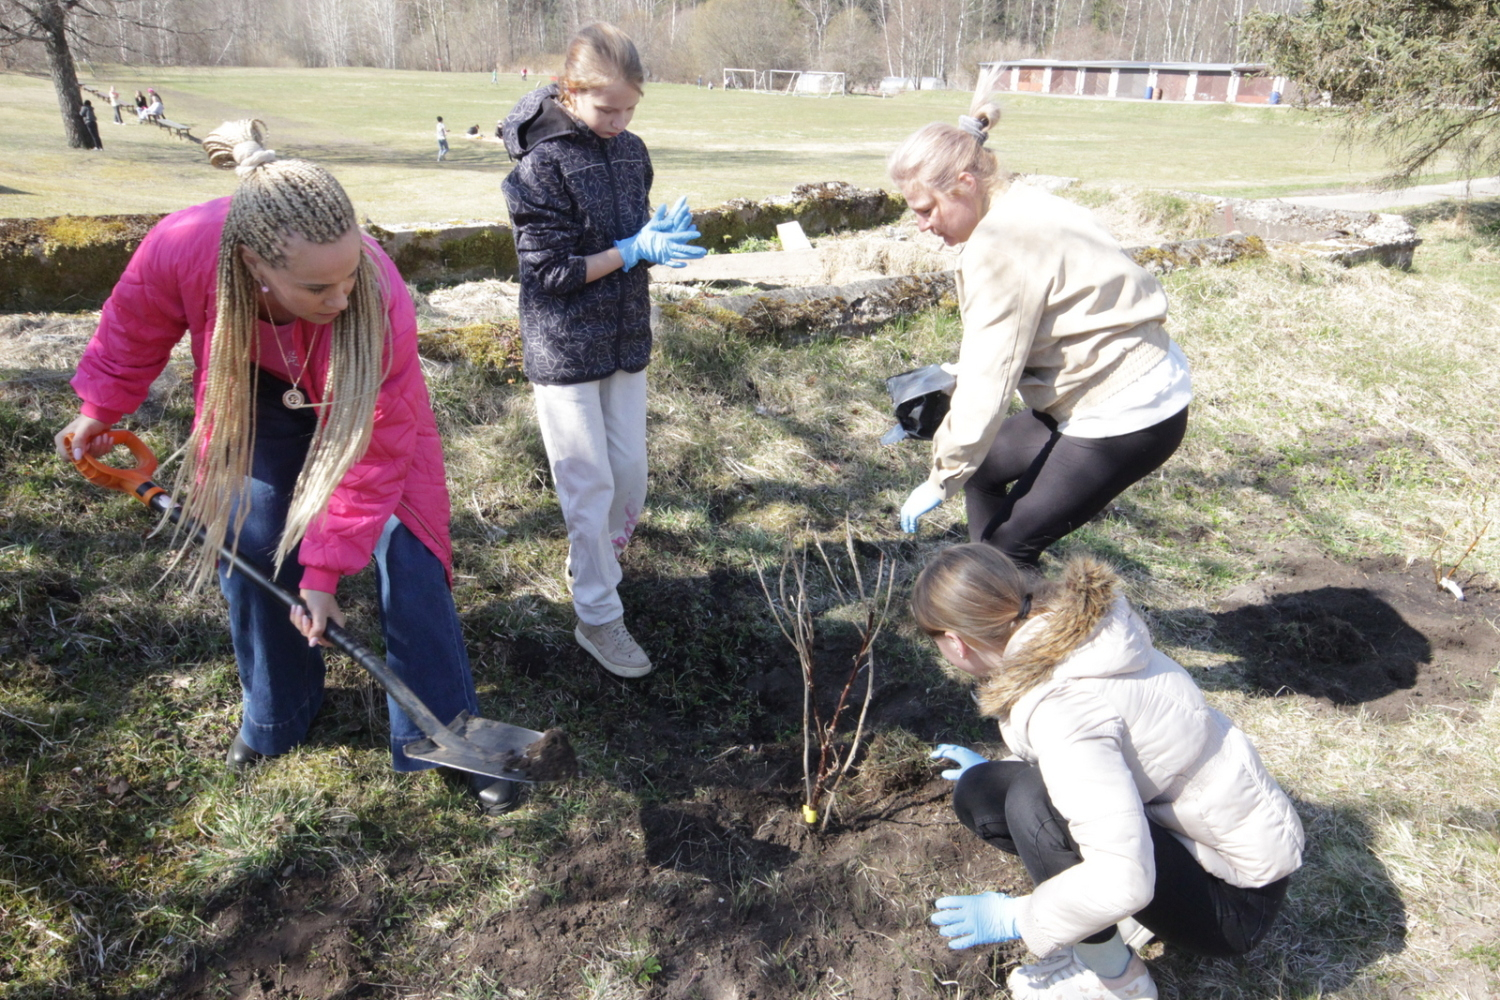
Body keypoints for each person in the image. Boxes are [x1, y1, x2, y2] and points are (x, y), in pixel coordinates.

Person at [55, 119, 517, 814]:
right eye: (316, 289)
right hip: (254, 394)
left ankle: (442, 733)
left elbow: (378, 452)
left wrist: (326, 572)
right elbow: (134, 324)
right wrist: (99, 407)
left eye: (348, 277)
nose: (340, 299)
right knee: (250, 536)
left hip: (361, 395)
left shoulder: (375, 299)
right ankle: (278, 713)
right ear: (251, 265)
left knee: (410, 556)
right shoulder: (183, 246)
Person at [914, 545, 1303, 1000]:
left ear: (956, 643)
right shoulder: (1079, 631)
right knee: (984, 790)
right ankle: (1110, 927)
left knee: (1032, 807)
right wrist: (999, 771)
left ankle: (1116, 980)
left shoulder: (1061, 705)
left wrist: (1022, 916)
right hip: (1196, 839)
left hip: (1232, 903)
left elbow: (1125, 878)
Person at [887, 102, 1191, 566]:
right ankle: (982, 589)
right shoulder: (1031, 203)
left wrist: (939, 479)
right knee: (985, 468)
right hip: (1139, 375)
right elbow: (1061, 312)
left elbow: (990, 384)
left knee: (1009, 548)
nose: (923, 226)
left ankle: (1000, 604)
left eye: (927, 209)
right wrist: (957, 373)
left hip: (1125, 412)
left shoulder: (995, 249)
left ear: (965, 184)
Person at [500, 23, 704, 679]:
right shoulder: (539, 168)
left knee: (631, 479)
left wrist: (653, 239)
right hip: (564, 351)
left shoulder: (632, 151)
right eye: (605, 108)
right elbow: (550, 274)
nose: (619, 121)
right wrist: (631, 252)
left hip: (623, 341)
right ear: (569, 92)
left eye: (629, 108)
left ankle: (593, 561)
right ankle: (598, 617)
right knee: (587, 486)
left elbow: (627, 238)